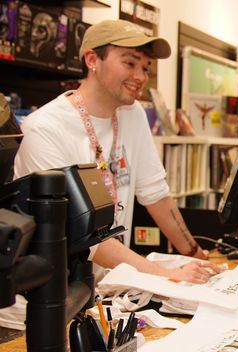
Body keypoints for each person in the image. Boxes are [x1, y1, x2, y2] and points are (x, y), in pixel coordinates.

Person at [13, 19, 220, 284]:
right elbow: (81, 233)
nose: (141, 76)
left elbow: (156, 195)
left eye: (145, 67)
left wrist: (197, 256)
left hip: (106, 291)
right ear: (92, 60)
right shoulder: (44, 128)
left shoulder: (132, 114)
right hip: (46, 304)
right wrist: (167, 276)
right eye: (130, 63)